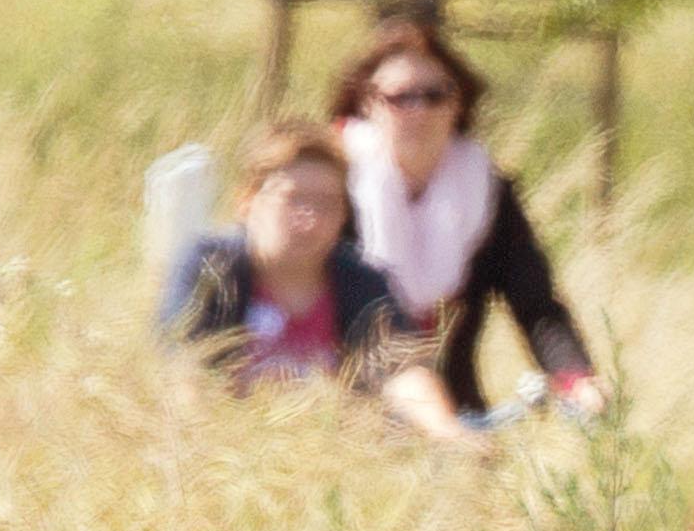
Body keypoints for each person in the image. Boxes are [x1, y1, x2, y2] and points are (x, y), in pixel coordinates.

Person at [331, 16, 602, 423]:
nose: (419, 110)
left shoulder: (487, 190)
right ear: (368, 103)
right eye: (400, 97)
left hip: (458, 411)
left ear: (458, 105)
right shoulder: (331, 184)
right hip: (344, 410)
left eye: (435, 95)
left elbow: (537, 306)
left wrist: (576, 379)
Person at [159, 121, 473, 440]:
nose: (310, 219)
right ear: (247, 202)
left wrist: (448, 432)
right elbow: (186, 367)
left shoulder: (362, 282)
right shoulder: (212, 270)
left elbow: (402, 372)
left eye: (326, 203)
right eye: (293, 199)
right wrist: (200, 442)